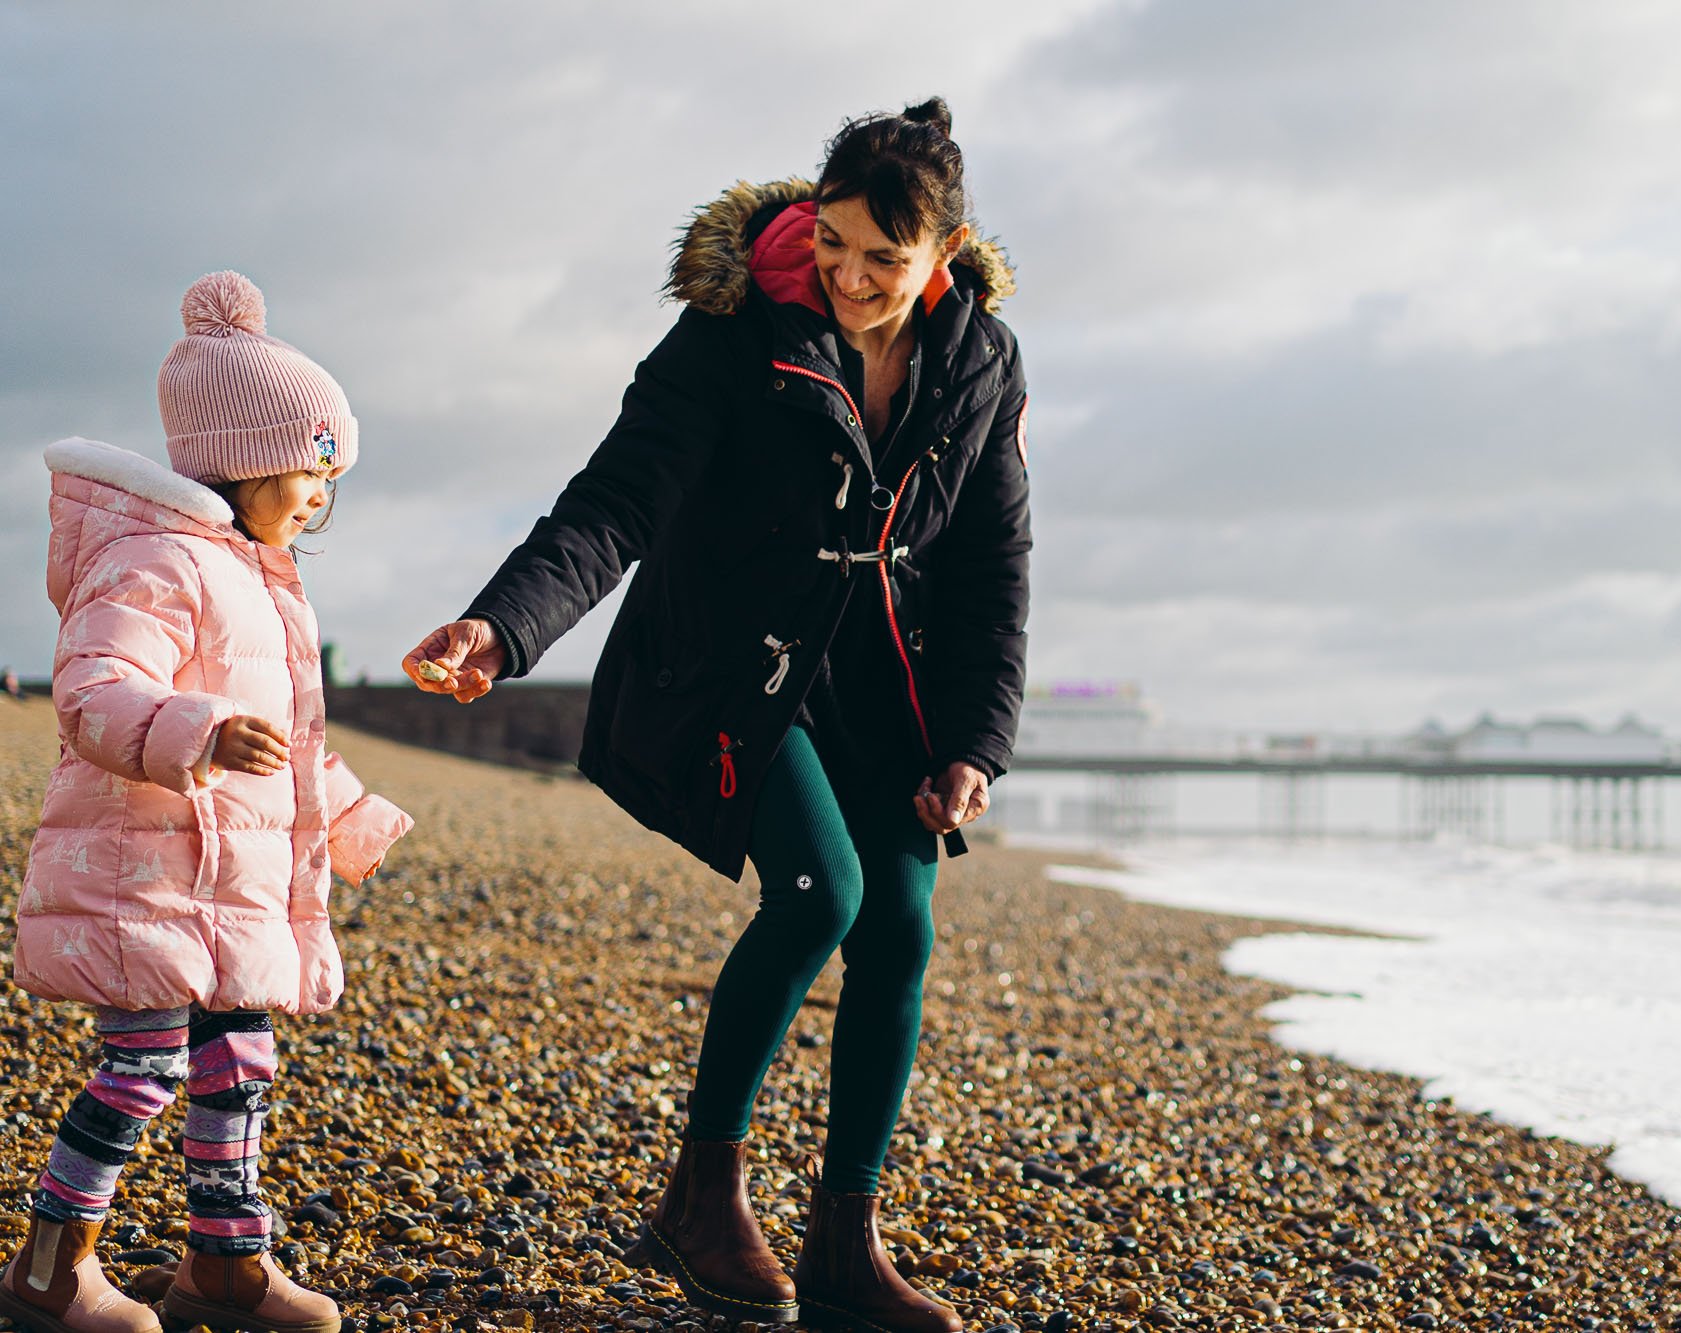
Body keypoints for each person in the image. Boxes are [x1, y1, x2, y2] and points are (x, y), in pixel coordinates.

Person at [405, 98, 1028, 1332]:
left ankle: (846, 1242)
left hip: (882, 682)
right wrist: (503, 625)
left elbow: (992, 567)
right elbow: (616, 500)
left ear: (941, 259)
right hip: (730, 664)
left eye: (882, 260)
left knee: (900, 924)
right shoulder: (734, 328)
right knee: (819, 893)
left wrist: (974, 741)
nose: (848, 276)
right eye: (835, 242)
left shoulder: (981, 363)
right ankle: (703, 1189)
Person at [0, 272, 413, 1333]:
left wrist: (348, 815)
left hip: (226, 886)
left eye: (331, 473)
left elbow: (282, 740)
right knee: (143, 1065)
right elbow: (92, 695)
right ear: (237, 458)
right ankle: (53, 1267)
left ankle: (227, 1261)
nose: (320, 492)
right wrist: (196, 729)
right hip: (146, 873)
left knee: (238, 1069)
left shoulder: (261, 580)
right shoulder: (153, 561)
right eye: (309, 466)